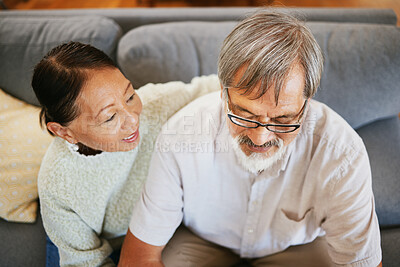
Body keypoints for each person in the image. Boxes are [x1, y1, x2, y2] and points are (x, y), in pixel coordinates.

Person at [119, 10, 382, 267]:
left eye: (283, 120)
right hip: (201, 241)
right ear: (223, 93)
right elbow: (138, 258)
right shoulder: (180, 134)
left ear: (306, 102)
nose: (260, 136)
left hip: (298, 247)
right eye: (244, 114)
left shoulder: (342, 154)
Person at [32, 41, 219, 266]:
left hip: (152, 232)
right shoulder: (57, 183)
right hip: (92, 248)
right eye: (110, 117)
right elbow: (86, 261)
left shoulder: (155, 105)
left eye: (130, 96)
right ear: (64, 132)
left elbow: (211, 87)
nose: (133, 119)